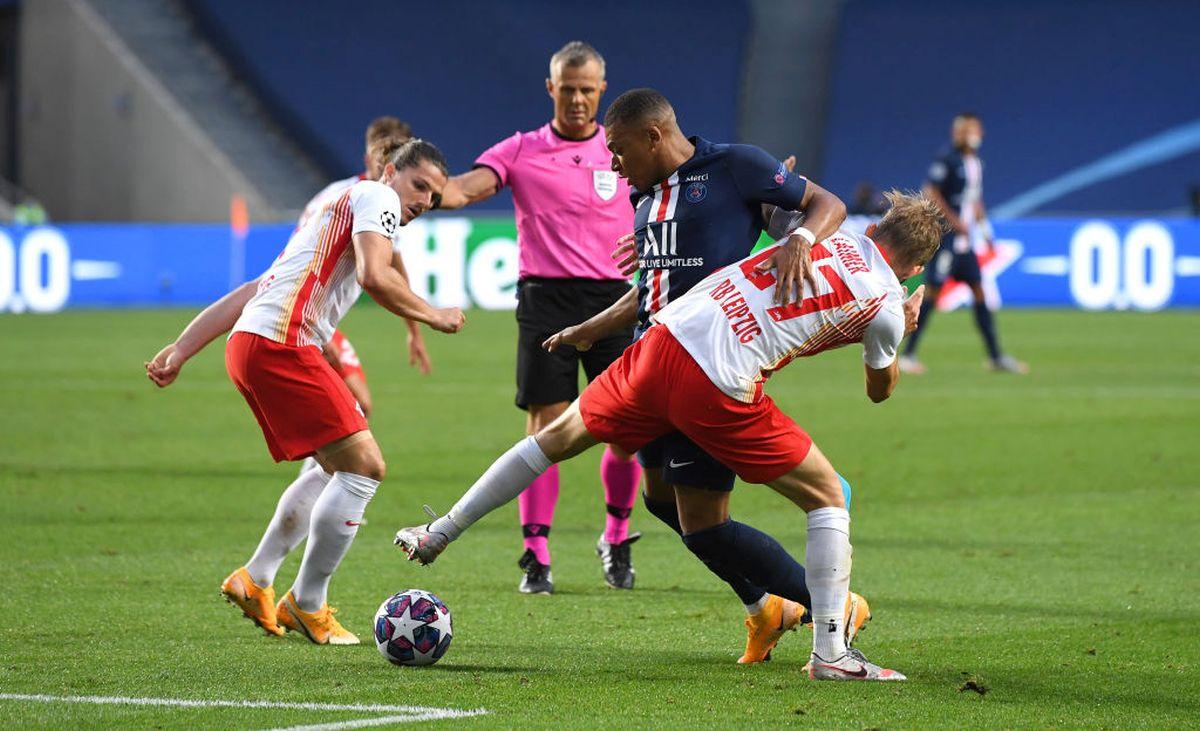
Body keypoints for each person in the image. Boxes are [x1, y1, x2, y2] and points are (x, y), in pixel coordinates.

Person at [397, 190, 943, 681]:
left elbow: (777, 217)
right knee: (827, 496)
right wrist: (904, 319)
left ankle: (439, 531)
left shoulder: (833, 233)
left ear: (874, 231)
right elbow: (879, 389)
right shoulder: (887, 304)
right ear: (915, 268)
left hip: (668, 336)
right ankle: (831, 652)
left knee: (552, 440)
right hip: (720, 378)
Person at [540, 88, 862, 664]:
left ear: (653, 135)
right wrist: (590, 329)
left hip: (709, 366)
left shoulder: (735, 167)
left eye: (616, 148)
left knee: (705, 522)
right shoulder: (648, 200)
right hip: (652, 364)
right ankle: (766, 607)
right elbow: (650, 288)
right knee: (662, 501)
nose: (611, 162)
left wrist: (802, 239)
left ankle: (829, 605)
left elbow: (823, 204)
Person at [150, 139, 465, 645]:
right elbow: (374, 275)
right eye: (419, 186)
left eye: (432, 199)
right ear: (390, 172)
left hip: (252, 344)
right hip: (283, 344)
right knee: (365, 467)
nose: (422, 202)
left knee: (333, 466)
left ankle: (256, 579)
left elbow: (259, 285)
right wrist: (433, 313)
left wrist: (184, 346)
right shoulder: (376, 199)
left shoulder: (335, 212)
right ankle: (307, 603)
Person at [435, 42, 643, 594]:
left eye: (587, 88)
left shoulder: (623, 149)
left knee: (625, 429)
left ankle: (616, 538)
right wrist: (432, 190)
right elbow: (466, 187)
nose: (577, 98)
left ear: (602, 90)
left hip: (616, 300)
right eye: (567, 88)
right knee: (547, 427)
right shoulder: (523, 149)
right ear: (551, 88)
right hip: (546, 302)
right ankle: (536, 554)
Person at [900, 113, 1026, 374]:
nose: (971, 134)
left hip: (966, 243)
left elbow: (975, 201)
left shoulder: (976, 164)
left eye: (974, 130)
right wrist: (953, 221)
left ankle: (996, 357)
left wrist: (986, 232)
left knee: (980, 290)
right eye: (966, 130)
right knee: (932, 294)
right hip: (947, 240)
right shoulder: (947, 160)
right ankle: (907, 355)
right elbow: (930, 192)